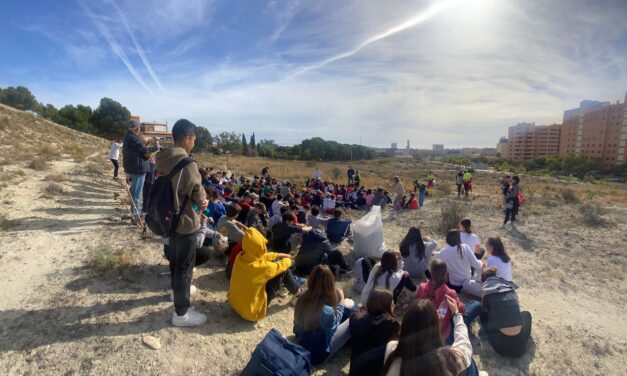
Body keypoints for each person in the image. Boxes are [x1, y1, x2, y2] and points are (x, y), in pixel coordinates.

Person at [155, 119, 207, 327]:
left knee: (175, 261)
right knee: (185, 266)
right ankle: (182, 313)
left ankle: (176, 293)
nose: (194, 143)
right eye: (193, 139)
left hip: (167, 219)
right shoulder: (188, 163)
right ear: (187, 139)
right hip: (185, 221)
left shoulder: (162, 158)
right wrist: (203, 199)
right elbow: (197, 192)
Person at [382, 298, 483, 376]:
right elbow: (465, 344)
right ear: (435, 327)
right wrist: (456, 314)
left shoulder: (391, 348)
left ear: (405, 325)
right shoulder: (445, 360)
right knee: (470, 364)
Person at [229, 228, 301, 321]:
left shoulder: (241, 256)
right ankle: (298, 294)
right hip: (252, 313)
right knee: (284, 271)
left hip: (235, 303)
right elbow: (282, 265)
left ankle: (291, 290)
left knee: (275, 268)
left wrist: (277, 255)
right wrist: (289, 259)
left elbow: (259, 257)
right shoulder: (262, 268)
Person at [293, 265, 355, 365]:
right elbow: (336, 322)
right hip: (316, 355)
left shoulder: (302, 297)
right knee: (353, 314)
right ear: (330, 283)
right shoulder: (326, 311)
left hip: (302, 339)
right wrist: (342, 301)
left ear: (311, 279)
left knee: (345, 310)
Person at [417, 259, 481, 345]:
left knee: (469, 305)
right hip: (443, 336)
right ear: (445, 274)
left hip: (424, 332)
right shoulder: (450, 293)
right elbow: (461, 311)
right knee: (476, 305)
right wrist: (457, 302)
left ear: (431, 273)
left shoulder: (421, 287)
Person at [481, 267, 531, 358]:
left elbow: (484, 314)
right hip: (520, 347)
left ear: (483, 280)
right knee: (526, 314)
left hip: (500, 349)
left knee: (484, 317)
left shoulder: (487, 293)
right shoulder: (511, 289)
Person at [348, 288, 400, 376]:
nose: (394, 305)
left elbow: (355, 310)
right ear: (385, 306)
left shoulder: (356, 318)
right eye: (391, 303)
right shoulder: (391, 325)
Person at [123, 119, 160, 220]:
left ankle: (134, 213)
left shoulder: (128, 137)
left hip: (132, 168)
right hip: (138, 170)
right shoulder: (134, 138)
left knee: (134, 193)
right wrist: (156, 146)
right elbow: (145, 150)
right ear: (137, 128)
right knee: (136, 194)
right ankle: (136, 217)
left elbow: (140, 150)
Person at [435, 230, 482, 297]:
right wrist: (481, 263)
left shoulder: (443, 252)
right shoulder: (465, 247)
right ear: (459, 238)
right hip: (467, 282)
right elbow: (476, 265)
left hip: (453, 285)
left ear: (447, 240)